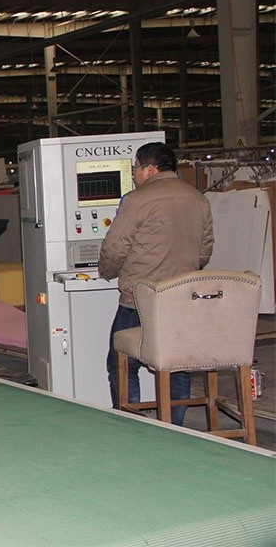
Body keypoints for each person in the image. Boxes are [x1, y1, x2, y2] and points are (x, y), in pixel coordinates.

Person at [98, 142, 213, 426]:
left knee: (122, 364)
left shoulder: (137, 200)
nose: (134, 174)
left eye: (135, 168)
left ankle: (133, 425)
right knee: (177, 364)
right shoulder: (198, 199)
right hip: (182, 298)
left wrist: (106, 272)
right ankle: (175, 427)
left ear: (149, 169)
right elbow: (204, 250)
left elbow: (115, 248)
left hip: (139, 299)